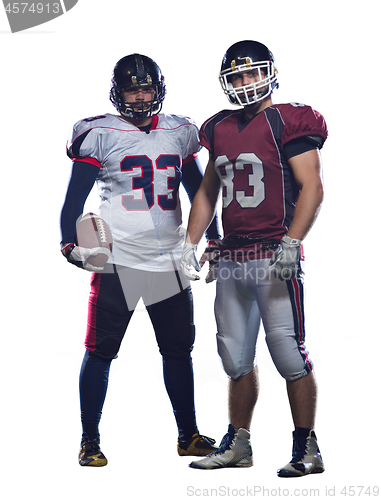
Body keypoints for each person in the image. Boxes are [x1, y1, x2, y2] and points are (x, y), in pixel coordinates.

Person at [60, 53, 221, 466]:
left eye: (146, 86)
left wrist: (215, 237)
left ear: (158, 89)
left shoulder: (180, 131)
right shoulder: (101, 133)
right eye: (132, 87)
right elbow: (74, 197)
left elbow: (199, 191)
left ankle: (188, 435)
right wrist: (67, 242)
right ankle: (89, 441)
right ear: (118, 92)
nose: (140, 95)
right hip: (118, 261)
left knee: (178, 351)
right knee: (100, 352)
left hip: (168, 260)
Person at [180, 40, 328, 477]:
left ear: (270, 73)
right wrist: (190, 242)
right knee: (234, 357)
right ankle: (238, 444)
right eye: (237, 76)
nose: (245, 83)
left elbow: (313, 187)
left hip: (272, 255)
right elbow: (209, 191)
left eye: (252, 74)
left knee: (288, 354)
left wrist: (292, 242)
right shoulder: (220, 127)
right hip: (231, 257)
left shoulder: (289, 120)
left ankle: (308, 448)